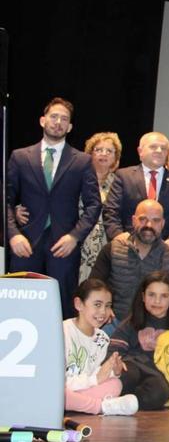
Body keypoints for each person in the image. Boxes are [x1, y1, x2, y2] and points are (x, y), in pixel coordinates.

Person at [6, 97, 102, 318]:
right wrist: (13, 235)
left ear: (69, 127)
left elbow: (94, 204)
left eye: (64, 119)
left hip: (63, 246)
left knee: (62, 307)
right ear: (42, 120)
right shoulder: (20, 157)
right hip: (25, 243)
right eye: (54, 117)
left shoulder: (82, 161)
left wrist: (75, 237)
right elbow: (6, 201)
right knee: (21, 306)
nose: (58, 122)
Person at [90, 199, 169, 325]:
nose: (149, 225)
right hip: (115, 324)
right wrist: (104, 308)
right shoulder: (113, 249)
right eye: (143, 219)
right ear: (133, 220)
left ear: (163, 224)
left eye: (156, 220)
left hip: (159, 327)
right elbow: (93, 288)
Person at [107, 271, 169, 411]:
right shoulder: (131, 323)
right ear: (143, 296)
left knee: (159, 393)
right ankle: (114, 400)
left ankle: (124, 402)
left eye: (164, 296)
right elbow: (113, 351)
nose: (157, 301)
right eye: (151, 295)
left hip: (158, 374)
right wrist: (116, 364)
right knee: (127, 376)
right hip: (132, 366)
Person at [103, 131, 169, 252]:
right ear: (140, 151)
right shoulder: (124, 176)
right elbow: (111, 210)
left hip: (163, 251)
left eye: (164, 148)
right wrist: (118, 235)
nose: (159, 151)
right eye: (153, 147)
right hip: (127, 248)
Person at [63, 279, 138, 415]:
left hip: (81, 389)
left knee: (116, 384)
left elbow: (96, 374)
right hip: (63, 389)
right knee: (58, 392)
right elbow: (59, 381)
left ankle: (80, 404)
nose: (103, 312)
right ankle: (101, 407)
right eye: (97, 305)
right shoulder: (62, 331)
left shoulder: (102, 338)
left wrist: (114, 371)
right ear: (79, 304)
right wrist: (95, 379)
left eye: (108, 306)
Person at [79, 132, 123, 282]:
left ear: (115, 158)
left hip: (108, 243)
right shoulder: (77, 178)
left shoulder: (121, 182)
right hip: (79, 241)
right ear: (90, 153)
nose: (103, 154)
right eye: (98, 150)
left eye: (109, 151)